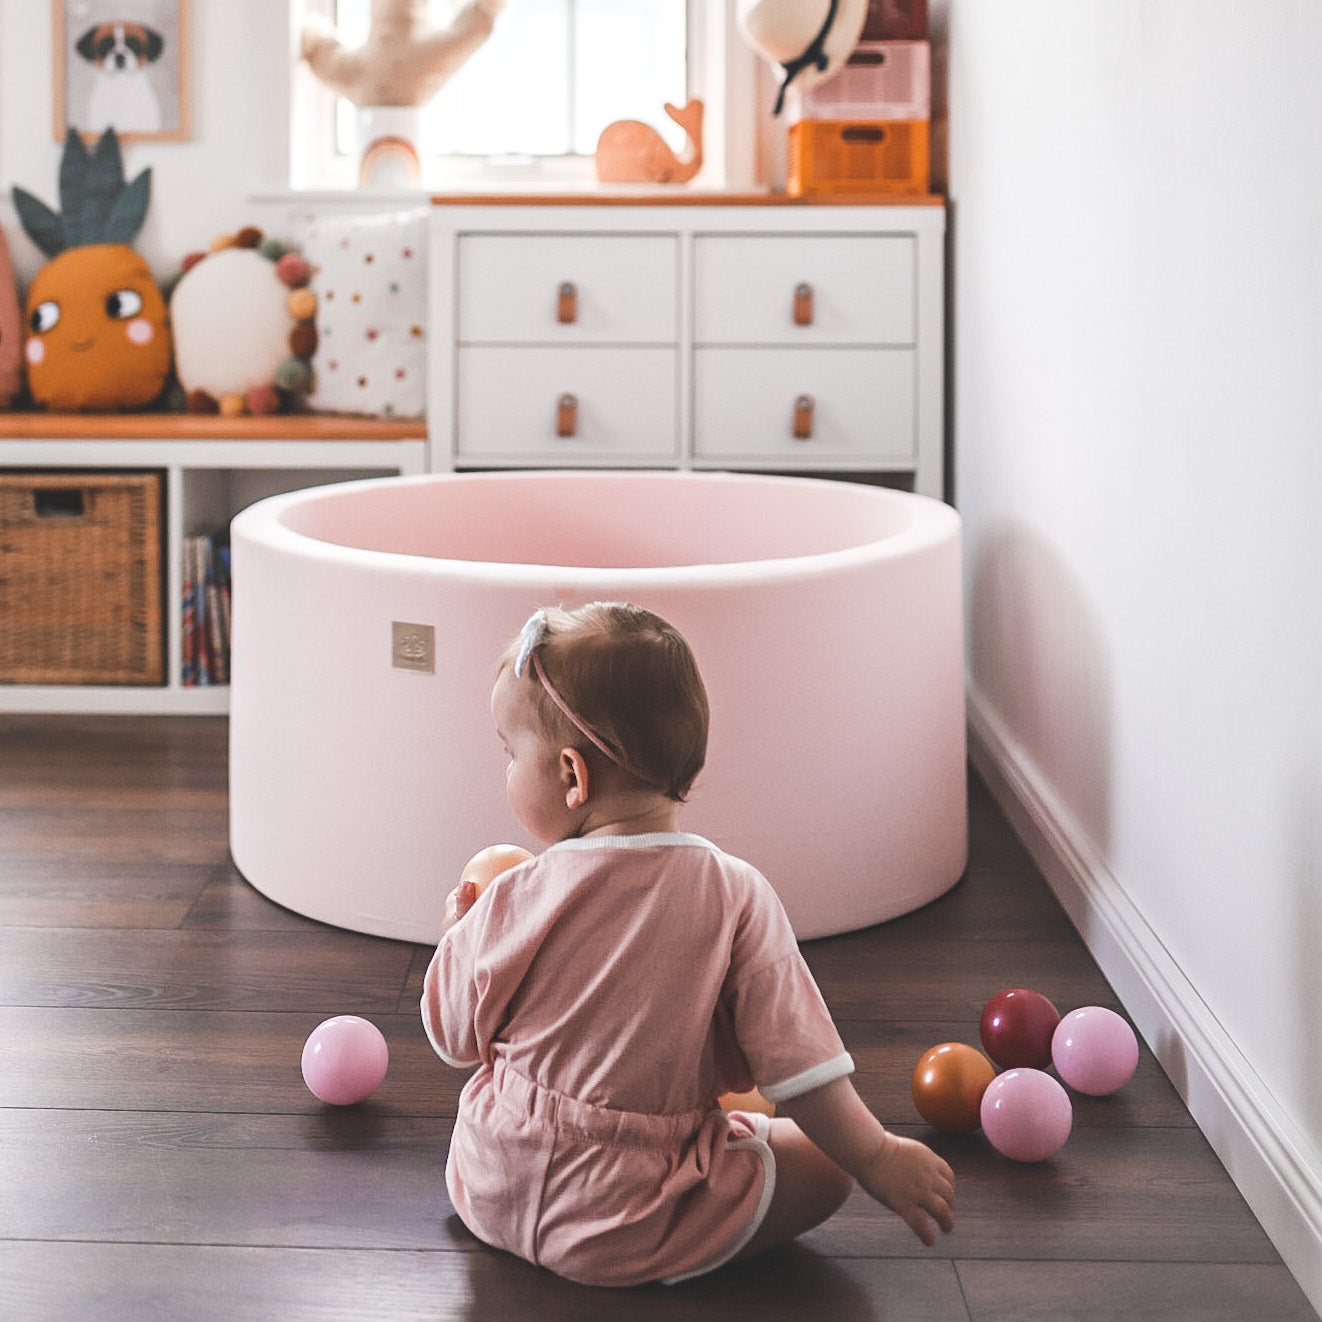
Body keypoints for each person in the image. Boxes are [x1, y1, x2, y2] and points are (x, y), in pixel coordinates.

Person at [422, 602, 954, 1287]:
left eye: (509, 753)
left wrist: (456, 940)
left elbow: (452, 1038)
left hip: (489, 1185)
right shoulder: (734, 892)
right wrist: (876, 1155)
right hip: (625, 1219)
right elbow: (803, 1072)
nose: (504, 771)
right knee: (826, 1167)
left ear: (571, 776)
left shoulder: (517, 893)